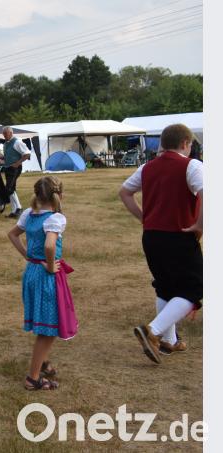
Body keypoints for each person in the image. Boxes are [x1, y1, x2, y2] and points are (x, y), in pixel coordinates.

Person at [119, 124, 202, 364]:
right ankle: (152, 331)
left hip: (152, 236)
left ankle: (170, 340)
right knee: (194, 288)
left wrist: (144, 217)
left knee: (166, 287)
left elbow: (124, 192)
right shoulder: (192, 165)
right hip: (179, 235)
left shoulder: (147, 167)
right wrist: (200, 225)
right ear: (185, 143)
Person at [7, 176, 75, 390]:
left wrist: (27, 255)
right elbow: (49, 245)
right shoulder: (55, 218)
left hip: (32, 272)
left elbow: (12, 234)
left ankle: (43, 361)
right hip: (46, 275)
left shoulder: (29, 214)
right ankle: (33, 378)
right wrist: (48, 264)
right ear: (59, 195)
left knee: (44, 321)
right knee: (48, 329)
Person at [2, 127, 32, 218]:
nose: (4, 136)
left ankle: (18, 208)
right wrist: (0, 158)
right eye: (3, 134)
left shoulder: (17, 142)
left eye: (5, 134)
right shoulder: (6, 144)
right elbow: (8, 156)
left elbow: (27, 154)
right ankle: (15, 210)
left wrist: (17, 163)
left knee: (9, 188)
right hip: (8, 167)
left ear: (11, 133)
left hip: (15, 168)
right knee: (11, 188)